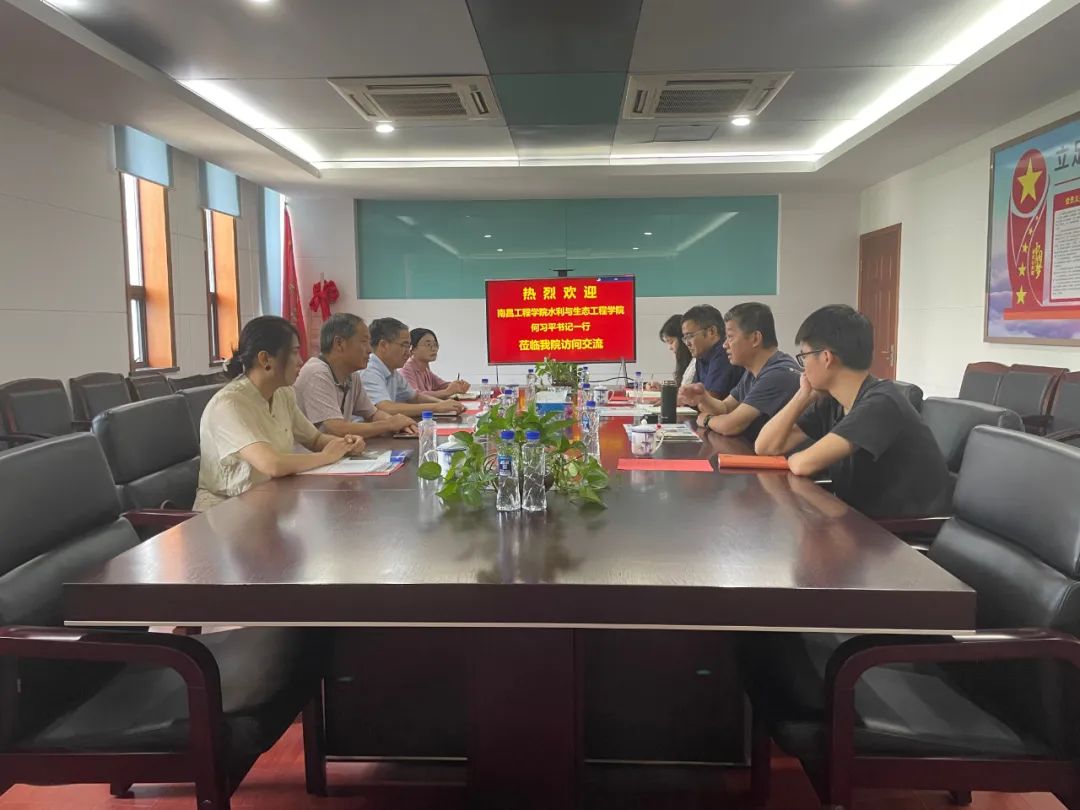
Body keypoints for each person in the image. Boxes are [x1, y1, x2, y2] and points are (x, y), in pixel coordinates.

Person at [754, 304, 951, 519]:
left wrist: (796, 459)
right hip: (859, 519)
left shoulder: (881, 403)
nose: (803, 367)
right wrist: (802, 397)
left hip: (900, 529)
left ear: (826, 357)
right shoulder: (832, 401)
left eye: (804, 356)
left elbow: (803, 464)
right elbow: (765, 446)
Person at [194, 315, 365, 511]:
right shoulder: (229, 405)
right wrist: (327, 456)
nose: (301, 361)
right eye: (294, 353)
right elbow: (271, 464)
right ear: (265, 359)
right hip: (225, 511)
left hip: (269, 501)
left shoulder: (283, 393)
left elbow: (315, 439)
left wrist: (345, 444)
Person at [680, 302, 801, 441]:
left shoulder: (778, 374)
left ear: (755, 338)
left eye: (730, 337)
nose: (725, 345)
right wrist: (703, 398)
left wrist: (707, 420)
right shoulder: (752, 371)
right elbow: (725, 408)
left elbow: (731, 425)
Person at [295, 313, 418, 439]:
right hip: (307, 451)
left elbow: (373, 414)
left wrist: (399, 423)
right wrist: (389, 424)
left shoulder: (352, 375)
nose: (370, 350)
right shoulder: (317, 372)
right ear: (339, 343)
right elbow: (336, 428)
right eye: (364, 342)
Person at [359, 317, 466, 417]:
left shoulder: (392, 371)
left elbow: (415, 397)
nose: (409, 352)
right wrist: (436, 407)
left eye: (409, 346)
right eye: (404, 345)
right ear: (383, 345)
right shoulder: (369, 371)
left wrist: (444, 404)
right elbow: (385, 408)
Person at [681, 304, 743, 399]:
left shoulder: (723, 353)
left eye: (690, 336)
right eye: (685, 338)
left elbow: (710, 399)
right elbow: (692, 394)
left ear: (712, 332)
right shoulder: (701, 356)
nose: (687, 343)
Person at [401, 328, 470, 398]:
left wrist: (458, 385)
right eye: (428, 345)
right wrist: (447, 391)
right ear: (412, 349)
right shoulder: (406, 369)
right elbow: (415, 396)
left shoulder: (425, 370)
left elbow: (442, 385)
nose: (434, 349)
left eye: (435, 345)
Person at [648, 315, 695, 390]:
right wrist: (663, 389)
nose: (669, 348)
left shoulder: (696, 363)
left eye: (671, 342)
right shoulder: (685, 362)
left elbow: (686, 393)